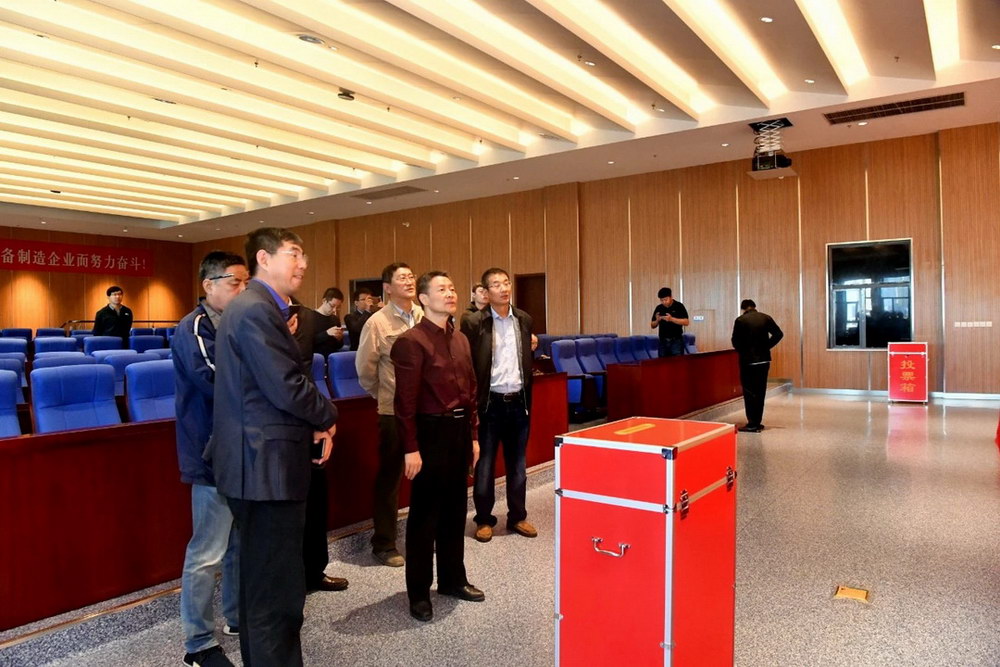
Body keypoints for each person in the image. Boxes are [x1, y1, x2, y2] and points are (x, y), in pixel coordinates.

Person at [205, 228, 338, 667]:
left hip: (263, 463)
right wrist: (327, 416)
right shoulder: (256, 309)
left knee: (267, 586)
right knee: (275, 593)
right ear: (264, 258)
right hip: (264, 468)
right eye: (294, 254)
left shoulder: (258, 308)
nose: (303, 263)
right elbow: (287, 385)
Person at [391, 271, 484, 622]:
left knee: (455, 511)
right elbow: (405, 402)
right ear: (423, 299)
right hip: (429, 433)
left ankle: (452, 579)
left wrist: (473, 436)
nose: (450, 293)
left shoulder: (459, 339)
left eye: (452, 288)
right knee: (424, 517)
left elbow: (471, 391)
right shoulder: (411, 342)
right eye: (441, 289)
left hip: (459, 431)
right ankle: (418, 592)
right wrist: (410, 448)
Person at [173, 251, 250, 667]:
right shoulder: (194, 327)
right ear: (209, 285)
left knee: (239, 544)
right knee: (206, 553)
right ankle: (198, 642)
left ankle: (237, 618)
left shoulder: (240, 324)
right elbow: (216, 381)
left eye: (246, 283)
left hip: (243, 450)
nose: (242, 290)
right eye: (235, 282)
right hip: (209, 453)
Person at [461, 267, 536, 543]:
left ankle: (517, 516)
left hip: (518, 402)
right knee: (485, 465)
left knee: (518, 464)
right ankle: (483, 519)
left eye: (506, 283)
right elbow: (467, 366)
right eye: (496, 284)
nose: (503, 288)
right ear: (485, 291)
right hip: (489, 404)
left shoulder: (524, 319)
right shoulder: (474, 323)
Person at [356, 263, 423, 567]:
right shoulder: (377, 322)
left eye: (411, 277)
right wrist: (385, 395)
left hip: (425, 410)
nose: (409, 281)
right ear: (387, 287)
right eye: (402, 278)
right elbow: (365, 370)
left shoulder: (423, 315)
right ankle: (384, 543)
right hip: (393, 411)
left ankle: (422, 537)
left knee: (426, 476)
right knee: (390, 478)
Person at [289, 301, 349, 594]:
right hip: (280, 428)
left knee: (316, 502)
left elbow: (308, 371)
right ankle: (291, 580)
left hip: (309, 417)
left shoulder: (305, 315)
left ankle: (314, 571)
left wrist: (322, 418)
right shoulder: (255, 315)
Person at [731, 299, 783, 433]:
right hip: (764, 360)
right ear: (754, 307)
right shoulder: (766, 318)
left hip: (748, 361)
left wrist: (744, 351)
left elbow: (735, 341)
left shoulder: (740, 320)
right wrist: (766, 346)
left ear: (743, 309)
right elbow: (779, 334)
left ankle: (752, 423)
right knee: (760, 391)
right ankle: (757, 422)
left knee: (749, 392)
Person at [650, 287, 690, 357]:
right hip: (662, 341)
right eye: (662, 300)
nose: (664, 302)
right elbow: (652, 325)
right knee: (662, 362)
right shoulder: (659, 308)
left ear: (671, 297)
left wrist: (671, 319)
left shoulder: (679, 306)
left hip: (676, 341)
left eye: (666, 299)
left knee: (677, 362)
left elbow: (686, 322)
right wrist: (657, 320)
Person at [313, 287, 345, 358]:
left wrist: (339, 339)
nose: (334, 310)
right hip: (316, 358)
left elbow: (339, 346)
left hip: (332, 358)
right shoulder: (310, 316)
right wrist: (327, 333)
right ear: (324, 301)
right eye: (332, 306)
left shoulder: (335, 319)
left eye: (337, 307)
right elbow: (308, 342)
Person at [344, 287, 374, 352]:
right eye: (363, 299)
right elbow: (357, 329)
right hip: (357, 351)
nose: (367, 302)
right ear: (356, 303)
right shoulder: (349, 317)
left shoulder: (375, 315)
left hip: (374, 350)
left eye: (369, 299)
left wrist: (383, 311)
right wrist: (367, 311)